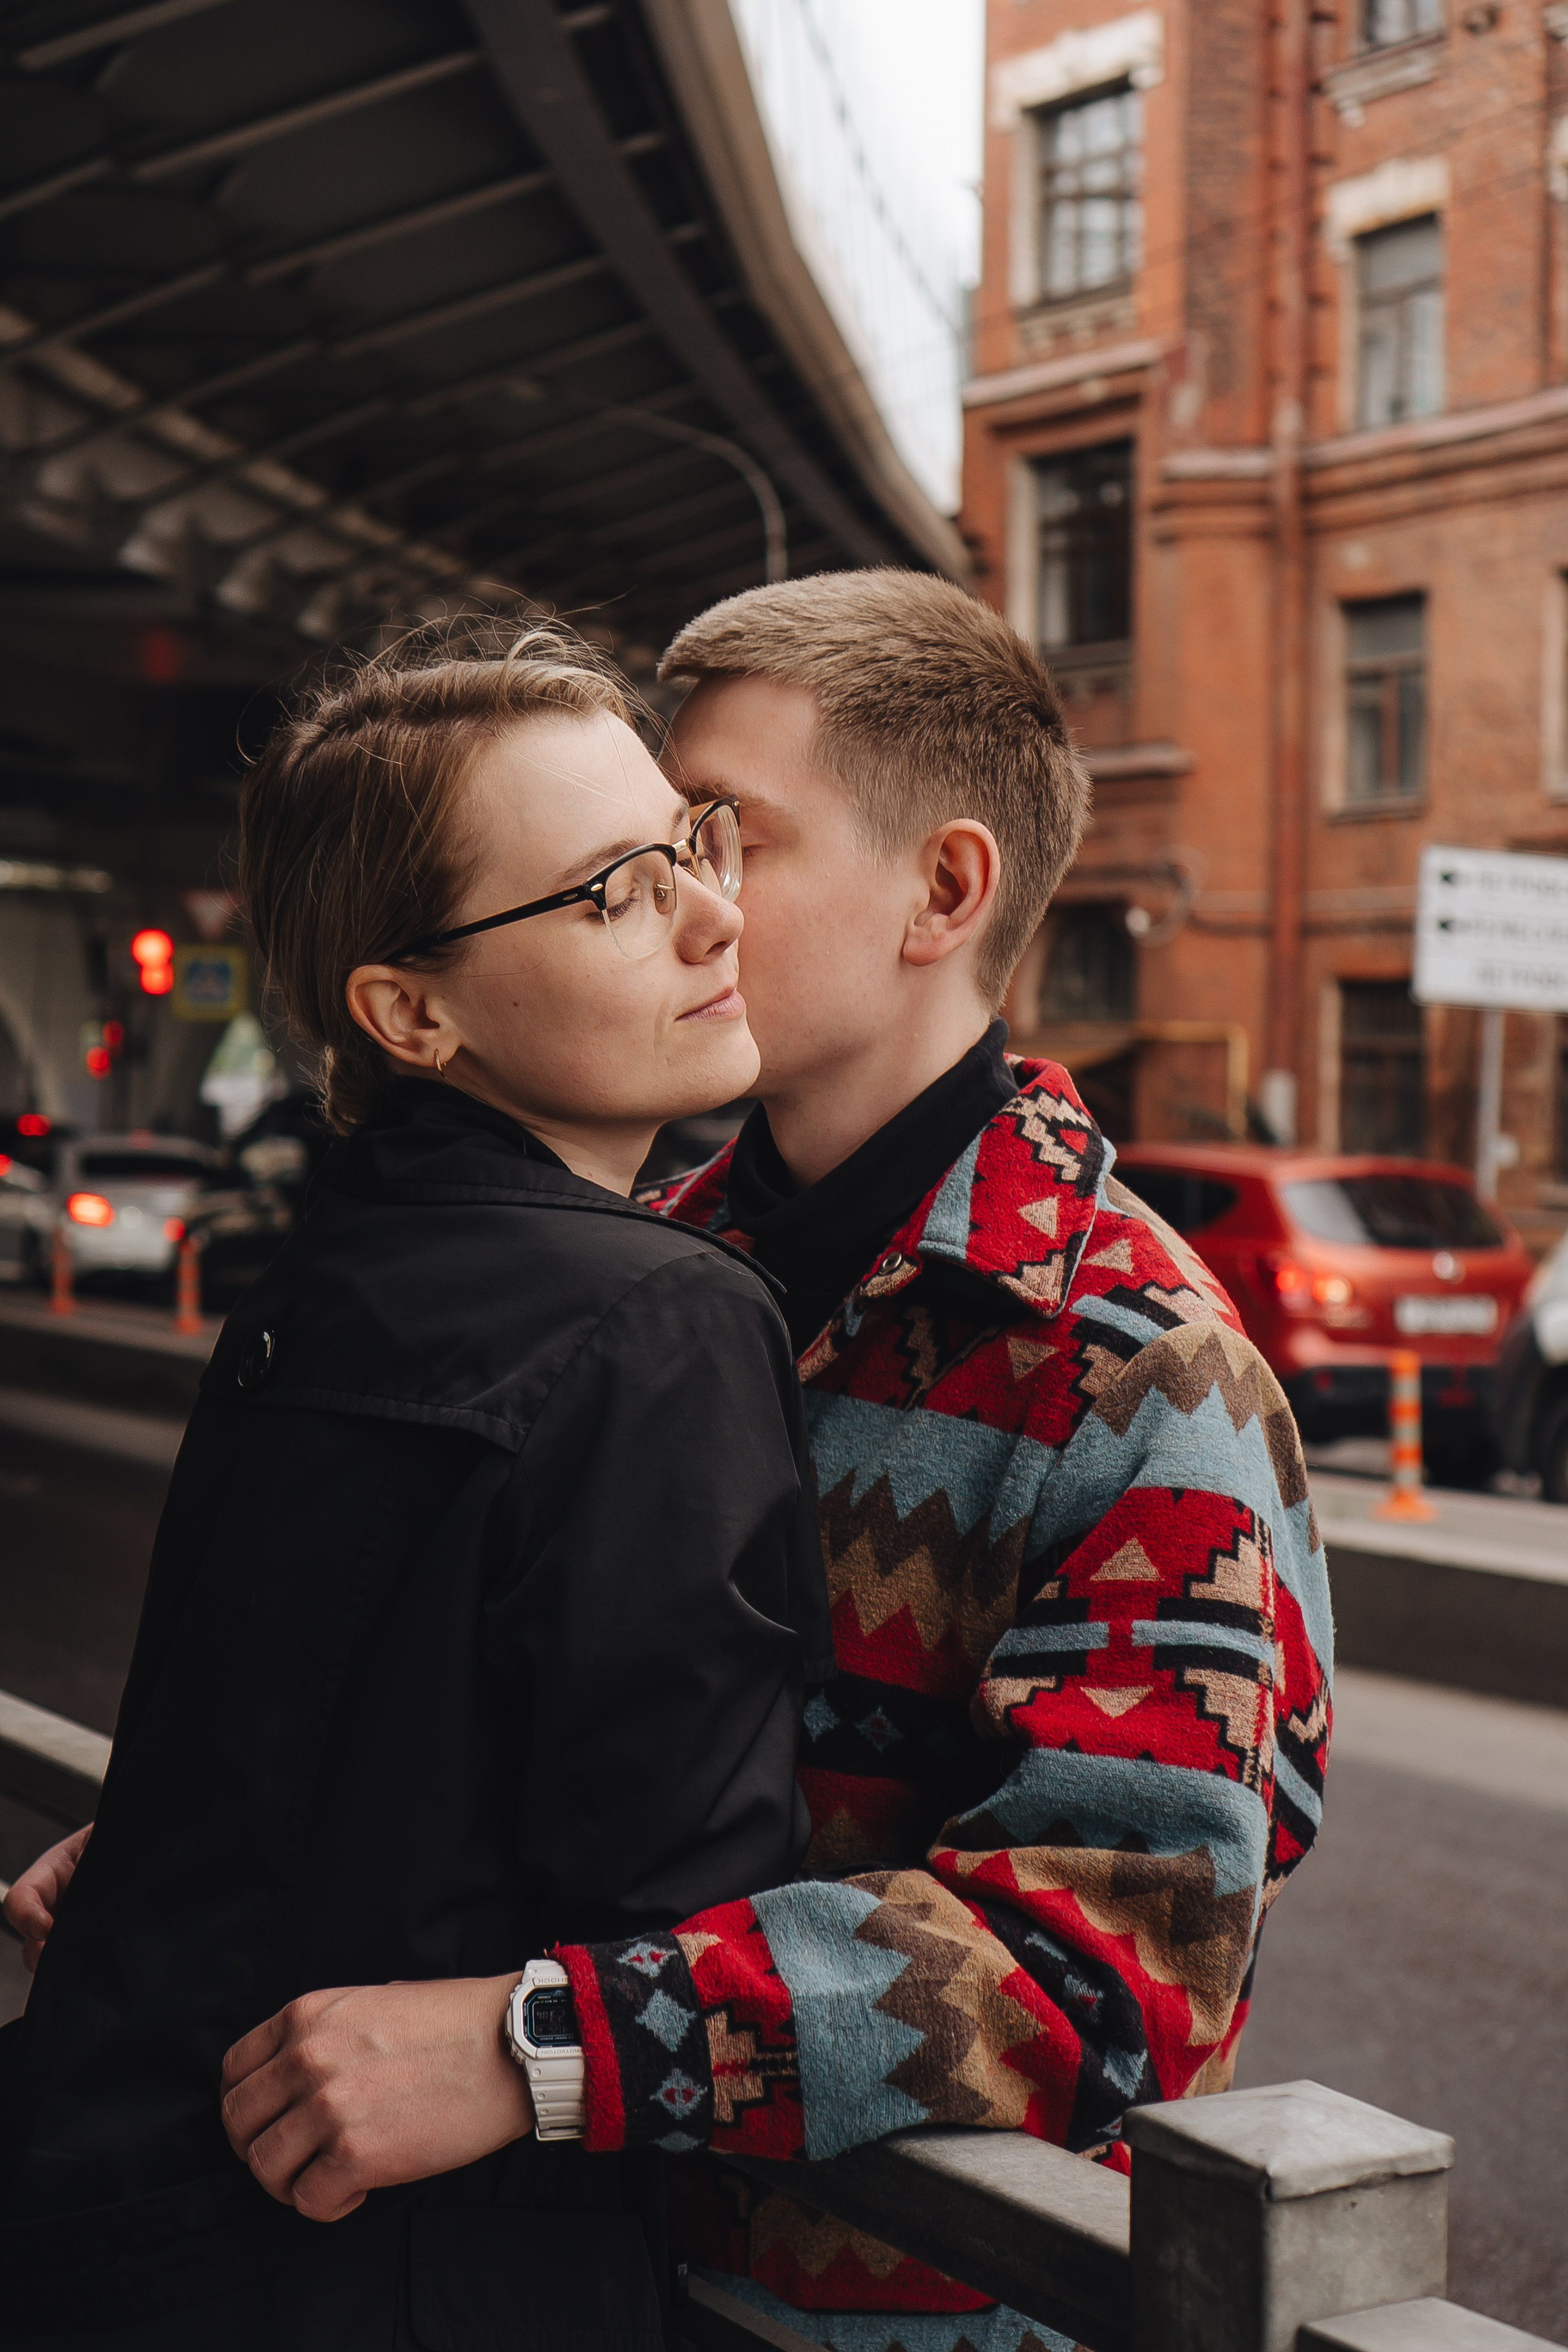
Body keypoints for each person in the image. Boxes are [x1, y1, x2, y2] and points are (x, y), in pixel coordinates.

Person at [11, 573, 1332, 2352]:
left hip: (868, 2320)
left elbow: (1119, 1962)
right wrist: (273, 1838)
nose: (697, 904)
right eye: (651, 853)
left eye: (726, 836)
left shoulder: (1132, 1372)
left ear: (942, 891)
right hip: (529, 2276)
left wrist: (543, 2044)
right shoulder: (629, 1265)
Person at [0, 624, 831, 2347]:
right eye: (615, 889)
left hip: (116, 2209)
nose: (715, 913)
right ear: (411, 1011)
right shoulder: (662, 1319)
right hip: (407, 2271)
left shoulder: (322, 1280)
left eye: (693, 843)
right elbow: (687, 1909)